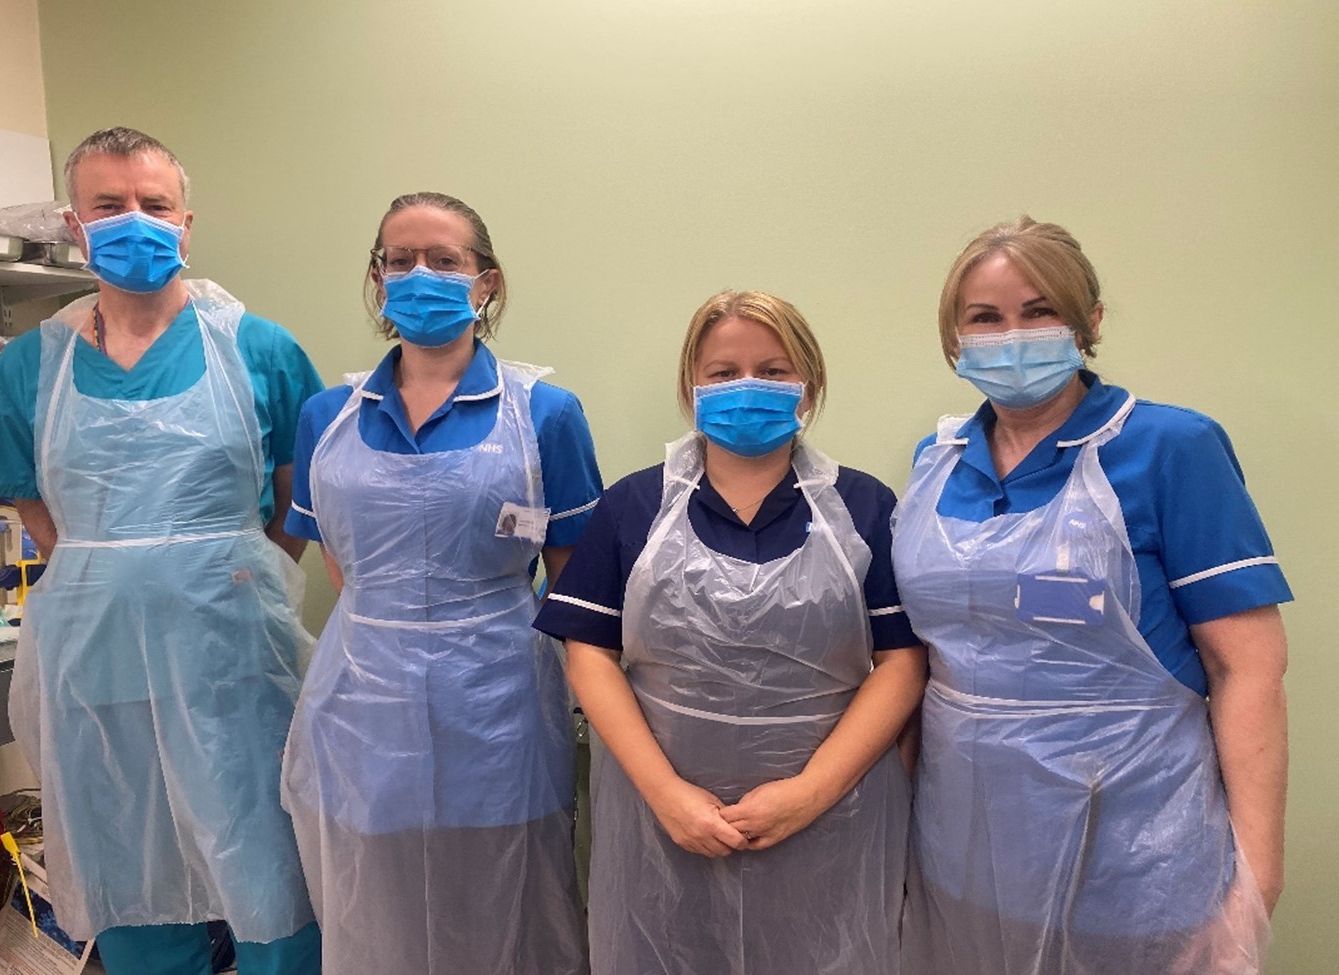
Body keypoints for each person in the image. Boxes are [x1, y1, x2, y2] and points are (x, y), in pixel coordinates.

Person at [893, 217, 1291, 975]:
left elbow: (1249, 668)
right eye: (986, 317)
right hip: (963, 850)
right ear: (954, 335)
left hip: (1134, 861)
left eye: (1039, 311)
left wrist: (1256, 883)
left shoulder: (1171, 448)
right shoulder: (935, 463)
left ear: (1089, 321)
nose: (1012, 335)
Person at [0, 127, 325, 974]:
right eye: (110, 205)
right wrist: (110, 570)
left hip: (234, 653)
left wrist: (232, 571)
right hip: (95, 658)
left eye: (154, 205)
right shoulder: (32, 366)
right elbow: (33, 502)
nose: (136, 221)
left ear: (187, 222)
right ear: (75, 224)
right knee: (124, 851)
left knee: (265, 855)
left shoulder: (259, 349)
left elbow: (302, 496)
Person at [536, 291, 926, 975]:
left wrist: (809, 792)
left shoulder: (862, 506)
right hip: (661, 819)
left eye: (773, 370)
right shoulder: (634, 504)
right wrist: (666, 793)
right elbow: (589, 652)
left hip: (832, 816)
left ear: (809, 385)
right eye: (723, 371)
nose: (747, 387)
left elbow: (901, 663)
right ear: (691, 387)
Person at [280, 191, 602, 974]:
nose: (420, 274)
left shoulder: (544, 415)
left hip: (500, 701)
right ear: (377, 277)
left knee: (505, 893)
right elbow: (343, 562)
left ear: (485, 282)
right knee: (376, 898)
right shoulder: (331, 413)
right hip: (362, 701)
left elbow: (575, 584)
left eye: (445, 260)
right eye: (400, 260)